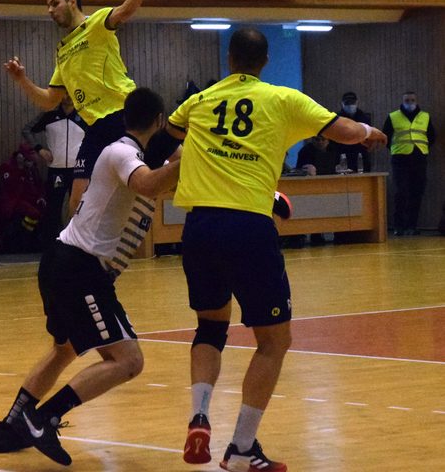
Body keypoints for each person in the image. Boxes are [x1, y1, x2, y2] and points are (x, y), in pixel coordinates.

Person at [165, 28, 387, 471]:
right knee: (274, 341)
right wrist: (370, 131)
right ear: (265, 62)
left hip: (199, 226)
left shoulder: (200, 100)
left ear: (230, 60)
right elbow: (344, 131)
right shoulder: (284, 99)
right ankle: (242, 447)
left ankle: (200, 415)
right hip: (248, 227)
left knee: (210, 328)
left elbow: (172, 133)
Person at [0, 88, 181, 466]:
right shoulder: (122, 153)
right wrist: (190, 155)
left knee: (64, 349)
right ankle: (44, 417)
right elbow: (150, 184)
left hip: (62, 262)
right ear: (159, 121)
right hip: (79, 269)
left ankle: (11, 426)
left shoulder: (130, 155)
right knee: (128, 361)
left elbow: (166, 176)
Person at [2, 0, 182, 217]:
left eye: (54, 3)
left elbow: (127, 10)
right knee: (76, 200)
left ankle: (211, 191)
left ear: (72, 2)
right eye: (47, 6)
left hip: (125, 114)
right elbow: (49, 100)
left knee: (177, 158)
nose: (50, 10)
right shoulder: (62, 51)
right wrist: (22, 80)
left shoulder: (96, 23)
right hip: (96, 127)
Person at [21, 95, 87, 245]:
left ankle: (79, 245)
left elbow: (96, 137)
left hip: (79, 171)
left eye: (70, 93)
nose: (68, 97)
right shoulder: (49, 115)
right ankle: (50, 247)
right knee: (53, 209)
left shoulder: (85, 116)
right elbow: (27, 130)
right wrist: (39, 149)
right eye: (64, 93)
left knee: (80, 208)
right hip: (57, 170)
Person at [383, 91, 436, 235]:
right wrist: (396, 149)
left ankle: (412, 226)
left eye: (412, 100)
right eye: (407, 100)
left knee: (417, 192)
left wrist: (422, 149)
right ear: (402, 101)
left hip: (419, 158)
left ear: (416, 101)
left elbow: (431, 136)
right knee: (401, 192)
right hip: (400, 159)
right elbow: (385, 137)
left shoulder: (425, 116)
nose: (410, 103)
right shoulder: (393, 116)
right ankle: (398, 226)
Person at [331, 91, 372, 172]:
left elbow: (369, 135)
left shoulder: (364, 117)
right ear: (342, 104)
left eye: (352, 103)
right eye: (347, 103)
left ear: (356, 102)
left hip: (361, 153)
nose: (350, 105)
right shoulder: (336, 118)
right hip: (342, 154)